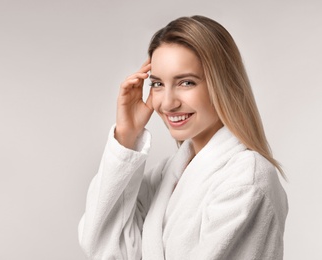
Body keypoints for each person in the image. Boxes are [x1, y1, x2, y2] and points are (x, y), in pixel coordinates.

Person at [78, 15, 288, 260]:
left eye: (186, 82)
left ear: (223, 84)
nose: (167, 103)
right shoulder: (168, 174)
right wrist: (127, 136)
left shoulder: (246, 179)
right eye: (157, 84)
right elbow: (105, 247)